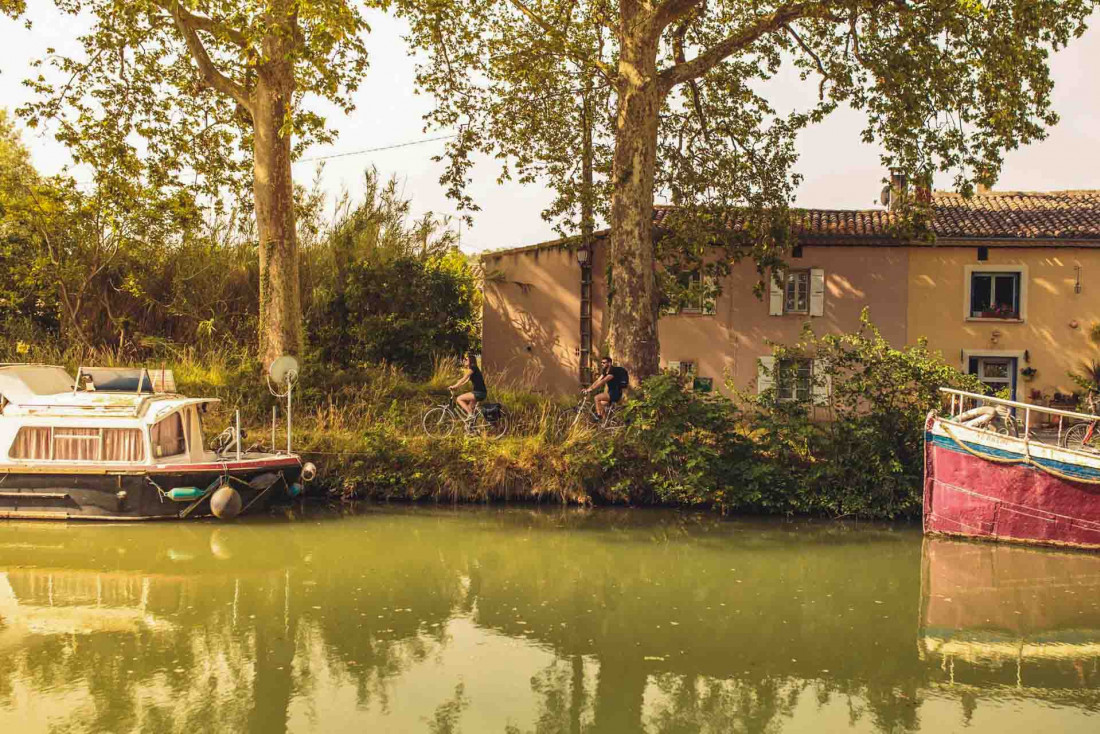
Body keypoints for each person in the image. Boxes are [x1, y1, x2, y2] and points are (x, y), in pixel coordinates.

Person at [448, 353, 487, 421]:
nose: (464, 361)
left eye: (466, 359)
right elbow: (464, 381)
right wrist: (456, 386)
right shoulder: (474, 369)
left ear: (471, 361)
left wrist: (455, 386)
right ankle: (471, 427)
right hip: (480, 392)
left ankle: (471, 415)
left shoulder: (473, 368)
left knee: (459, 399)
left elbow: (464, 378)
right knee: (469, 407)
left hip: (479, 392)